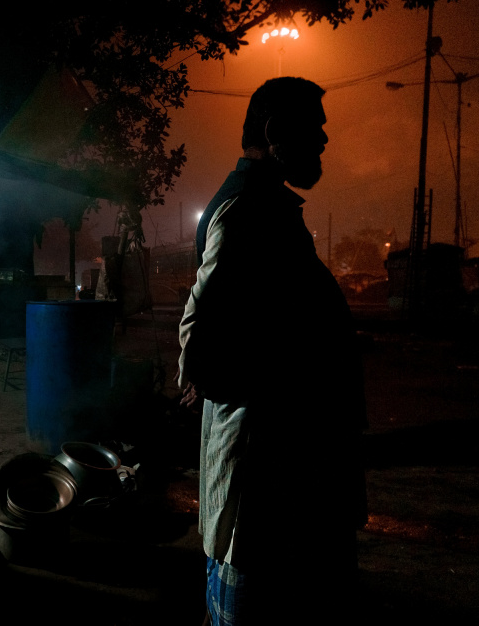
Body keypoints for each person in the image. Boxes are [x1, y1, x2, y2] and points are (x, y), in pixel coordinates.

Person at [178, 77, 367, 625]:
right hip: (271, 469)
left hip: (286, 465)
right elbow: (203, 327)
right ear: (274, 132)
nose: (325, 140)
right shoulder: (247, 212)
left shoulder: (267, 208)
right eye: (315, 127)